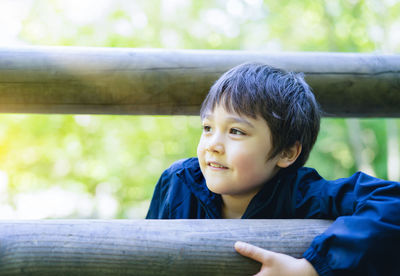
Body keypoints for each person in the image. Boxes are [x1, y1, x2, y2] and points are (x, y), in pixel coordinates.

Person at [146, 63, 400, 276]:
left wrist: (311, 268)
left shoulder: (303, 193)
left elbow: (392, 201)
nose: (213, 145)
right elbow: (145, 253)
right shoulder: (178, 181)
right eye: (208, 128)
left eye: (236, 131)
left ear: (286, 153)